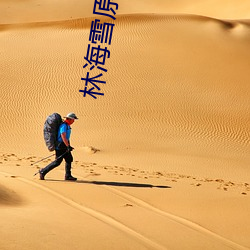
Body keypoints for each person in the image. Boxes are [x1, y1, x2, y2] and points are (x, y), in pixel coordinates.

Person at [39, 112, 78, 181]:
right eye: (73, 119)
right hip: (61, 145)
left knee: (69, 159)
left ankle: (68, 175)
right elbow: (63, 135)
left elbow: (66, 137)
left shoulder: (67, 125)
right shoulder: (64, 126)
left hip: (64, 145)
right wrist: (67, 146)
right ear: (70, 119)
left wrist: (68, 145)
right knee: (57, 162)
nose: (74, 121)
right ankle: (43, 172)